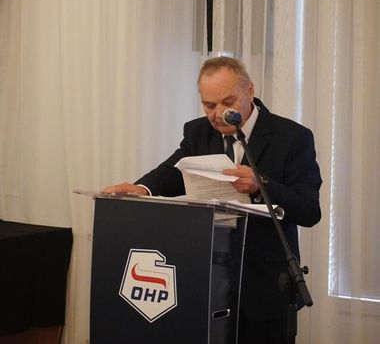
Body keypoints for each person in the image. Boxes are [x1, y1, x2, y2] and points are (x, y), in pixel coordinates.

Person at [103, 56, 322, 344]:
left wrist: (261, 184)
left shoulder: (292, 137)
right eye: (209, 105)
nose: (218, 114)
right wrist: (141, 188)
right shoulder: (198, 131)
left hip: (265, 288)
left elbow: (309, 210)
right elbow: (173, 171)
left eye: (228, 102)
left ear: (250, 91)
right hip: (207, 284)